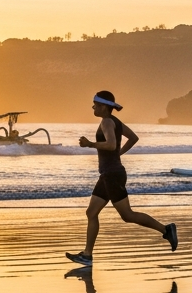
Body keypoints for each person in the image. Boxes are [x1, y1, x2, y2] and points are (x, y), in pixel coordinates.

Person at [66, 90, 178, 265]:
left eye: (95, 104)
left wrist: (90, 144)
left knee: (127, 215)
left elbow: (110, 144)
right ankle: (87, 255)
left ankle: (166, 229)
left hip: (112, 176)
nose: (93, 107)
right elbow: (133, 138)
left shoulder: (107, 122)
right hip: (108, 175)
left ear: (104, 107)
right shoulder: (114, 122)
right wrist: (120, 152)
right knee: (91, 212)